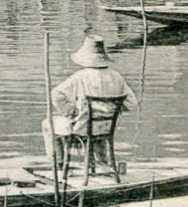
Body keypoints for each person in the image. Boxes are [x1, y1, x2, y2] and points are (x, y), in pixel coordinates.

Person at [41, 35, 137, 168]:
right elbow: (132, 103)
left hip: (83, 127)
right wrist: (112, 110)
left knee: (47, 124)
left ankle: (59, 164)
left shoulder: (80, 77)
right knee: (97, 126)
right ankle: (101, 163)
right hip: (107, 127)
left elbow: (56, 94)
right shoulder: (117, 77)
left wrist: (71, 112)